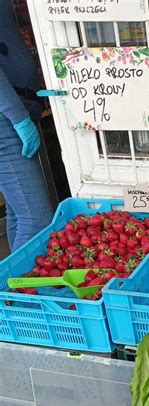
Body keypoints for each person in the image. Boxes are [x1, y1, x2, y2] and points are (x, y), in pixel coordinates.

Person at [0, 0, 52, 252]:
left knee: (19, 213)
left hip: (15, 110)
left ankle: (13, 285)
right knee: (36, 219)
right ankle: (18, 290)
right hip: (5, 120)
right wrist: (17, 117)